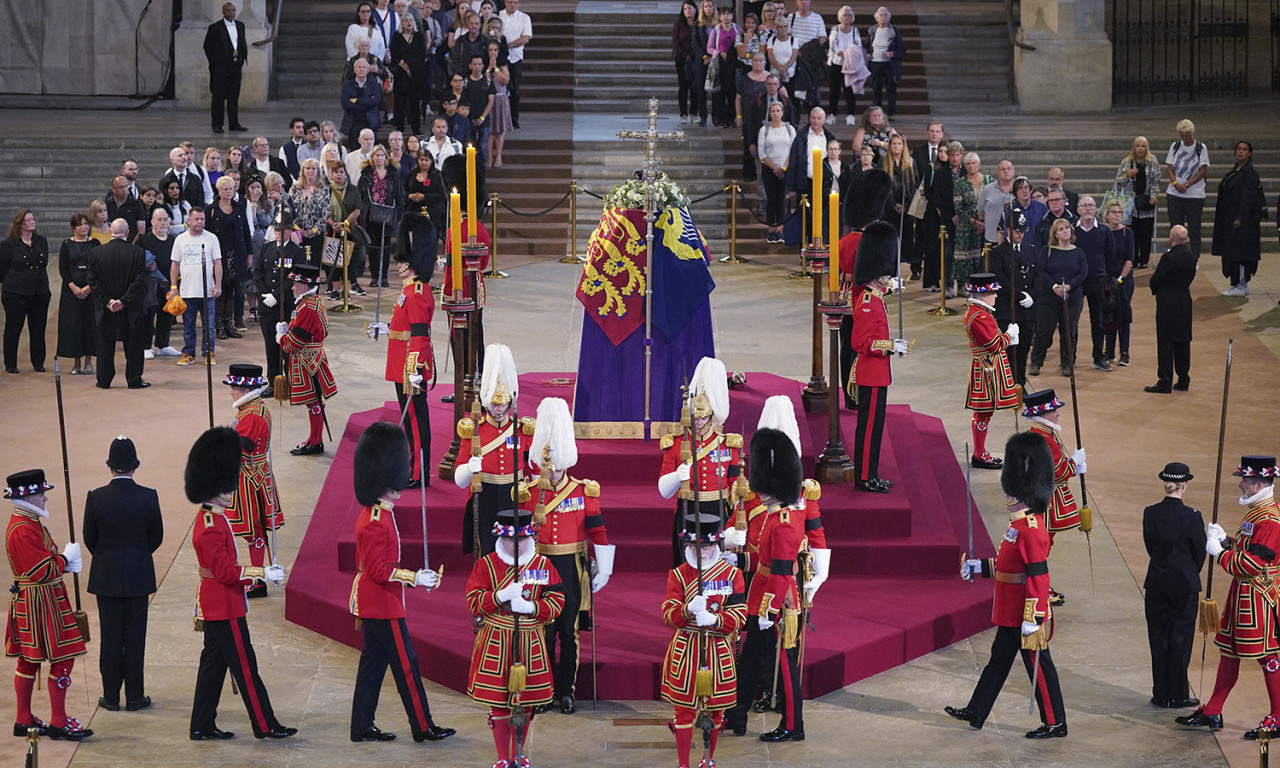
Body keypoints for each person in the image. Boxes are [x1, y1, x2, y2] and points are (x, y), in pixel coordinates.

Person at [948, 432, 1067, 739]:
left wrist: (1035, 616)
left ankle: (1056, 722)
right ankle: (976, 711)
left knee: (1039, 668)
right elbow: (1009, 566)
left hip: (1025, 612)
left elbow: (1039, 577)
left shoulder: (1030, 528)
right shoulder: (1018, 525)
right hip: (1012, 608)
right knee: (998, 661)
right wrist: (980, 568)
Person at [724, 398, 830, 741]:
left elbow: (783, 573)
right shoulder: (775, 515)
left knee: (786, 668)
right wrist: (739, 561)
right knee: (751, 661)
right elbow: (765, 562)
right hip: (764, 599)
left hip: (777, 605)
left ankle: (792, 725)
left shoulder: (783, 522)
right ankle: (737, 714)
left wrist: (770, 610)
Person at [346, 422, 455, 743]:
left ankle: (361, 726)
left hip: (376, 600)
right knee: (407, 665)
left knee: (373, 667)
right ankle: (423, 726)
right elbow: (379, 571)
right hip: (381, 603)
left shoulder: (377, 513)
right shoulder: (376, 521)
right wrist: (414, 578)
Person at [185, 427, 293, 741]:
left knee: (213, 669)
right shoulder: (211, 526)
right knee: (246, 668)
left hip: (220, 603)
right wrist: (262, 573)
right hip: (223, 605)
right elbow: (227, 573)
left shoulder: (214, 517)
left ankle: (201, 724)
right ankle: (265, 725)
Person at [514, 398, 614, 716]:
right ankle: (542, 691)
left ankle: (565, 691)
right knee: (543, 630)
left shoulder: (584, 491)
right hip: (540, 567)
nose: (554, 471)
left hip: (571, 567)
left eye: (558, 465)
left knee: (568, 632)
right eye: (549, 465)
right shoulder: (529, 494)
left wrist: (605, 570)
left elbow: (598, 531)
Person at [1180, 456, 1280, 740]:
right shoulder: (1257, 512)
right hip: (1243, 598)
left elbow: (1250, 564)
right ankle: (1213, 709)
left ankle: (1279, 716)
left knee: (1267, 657)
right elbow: (1247, 549)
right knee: (1229, 652)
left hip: (1259, 600)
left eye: (1245, 480)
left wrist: (1220, 553)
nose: (1240, 485)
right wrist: (1226, 542)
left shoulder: (1270, 520)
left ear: (1258, 483)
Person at [464, 506, 565, 767]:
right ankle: (502, 756)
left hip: (530, 642)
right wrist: (499, 596)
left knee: (527, 702)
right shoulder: (486, 564)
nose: (517, 545)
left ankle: (519, 754)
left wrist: (532, 608)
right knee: (499, 704)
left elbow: (557, 600)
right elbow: (473, 601)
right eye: (511, 540)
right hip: (497, 643)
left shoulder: (543, 564)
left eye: (521, 540)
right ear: (501, 538)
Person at [4, 468, 92, 741]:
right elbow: (42, 569)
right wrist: (65, 560)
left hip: (37, 601)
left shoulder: (28, 521)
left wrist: (62, 563)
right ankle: (58, 721)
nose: (45, 499)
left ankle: (24, 719)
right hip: (41, 603)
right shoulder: (23, 529)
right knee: (63, 655)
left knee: (28, 660)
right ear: (28, 497)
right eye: (41, 493)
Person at [82, 436, 162, 713]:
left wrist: (108, 558)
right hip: (139, 575)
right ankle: (136, 696)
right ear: (134, 467)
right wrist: (137, 555)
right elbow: (156, 537)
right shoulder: (148, 495)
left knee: (111, 637)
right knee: (135, 638)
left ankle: (111, 696)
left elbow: (90, 538)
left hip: (107, 577)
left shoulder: (96, 497)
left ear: (110, 467)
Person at [663, 510, 745, 766]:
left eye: (708, 546)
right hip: (686, 651)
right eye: (696, 546)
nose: (702, 552)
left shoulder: (732, 575)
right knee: (684, 711)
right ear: (688, 545)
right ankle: (683, 763)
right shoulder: (678, 574)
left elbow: (741, 613)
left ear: (716, 544)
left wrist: (717, 620)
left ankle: (708, 760)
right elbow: (668, 613)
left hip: (717, 650)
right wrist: (686, 609)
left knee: (717, 709)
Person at [657, 357, 743, 565]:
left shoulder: (727, 444)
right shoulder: (676, 444)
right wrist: (678, 476)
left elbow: (735, 486)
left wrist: (737, 517)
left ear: (711, 416)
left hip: (719, 507)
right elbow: (663, 490)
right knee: (686, 561)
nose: (699, 423)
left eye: (704, 418)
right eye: (696, 418)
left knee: (718, 562)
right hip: (689, 507)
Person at [370, 220, 436, 487]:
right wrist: (387, 329)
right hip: (404, 362)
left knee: (415, 421)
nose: (398, 265)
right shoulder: (410, 289)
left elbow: (419, 334)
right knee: (409, 421)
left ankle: (419, 473)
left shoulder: (418, 292)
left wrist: (415, 368)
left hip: (411, 366)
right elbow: (406, 327)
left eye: (403, 261)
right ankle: (413, 468)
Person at [454, 344, 534, 556]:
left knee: (515, 547)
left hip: (514, 494)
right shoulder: (473, 431)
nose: (498, 410)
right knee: (487, 546)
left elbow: (534, 469)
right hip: (485, 494)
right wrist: (469, 469)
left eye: (502, 405)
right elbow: (459, 480)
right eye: (493, 405)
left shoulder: (522, 430)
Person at [849, 221, 909, 492]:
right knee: (869, 428)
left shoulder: (875, 298)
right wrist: (889, 346)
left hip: (879, 374)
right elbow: (860, 342)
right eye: (886, 276)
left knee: (875, 429)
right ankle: (864, 477)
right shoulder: (867, 304)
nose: (889, 279)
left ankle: (870, 473)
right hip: (870, 374)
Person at [1143, 461, 1205, 710]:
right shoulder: (1192, 516)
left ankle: (1160, 692)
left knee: (1158, 639)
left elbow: (1150, 546)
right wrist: (1188, 571)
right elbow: (1199, 552)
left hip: (1156, 582)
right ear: (1185, 485)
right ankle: (1178, 694)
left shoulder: (1150, 512)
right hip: (1184, 584)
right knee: (1180, 639)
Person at [222, 363, 282, 597]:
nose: (231, 392)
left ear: (245, 390)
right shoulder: (253, 408)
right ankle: (258, 577)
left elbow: (241, 450)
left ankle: (257, 580)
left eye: (234, 387)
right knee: (256, 530)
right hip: (255, 473)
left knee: (253, 530)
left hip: (249, 476)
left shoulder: (251, 415)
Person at [276, 263, 337, 456]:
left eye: (295, 284)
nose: (292, 287)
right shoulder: (311, 302)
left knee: (314, 402)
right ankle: (314, 438)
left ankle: (316, 442)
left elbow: (295, 342)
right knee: (315, 402)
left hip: (307, 361)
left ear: (304, 285)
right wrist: (290, 327)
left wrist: (282, 338)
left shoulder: (307, 307)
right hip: (312, 358)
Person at [963, 273, 1020, 469]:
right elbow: (994, 345)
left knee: (984, 413)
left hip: (987, 367)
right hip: (987, 369)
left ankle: (980, 452)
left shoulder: (978, 311)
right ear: (984, 295)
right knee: (983, 412)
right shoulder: (979, 316)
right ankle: (979, 454)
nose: (995, 296)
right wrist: (1009, 336)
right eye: (993, 293)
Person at [87, 219, 149, 389]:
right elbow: (139, 281)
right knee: (134, 345)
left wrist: (108, 302)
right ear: (127, 233)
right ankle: (134, 379)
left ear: (110, 233)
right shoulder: (138, 252)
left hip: (105, 309)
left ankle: (104, 380)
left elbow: (92, 281)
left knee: (104, 345)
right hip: (131, 308)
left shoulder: (96, 253)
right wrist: (123, 301)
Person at [1027, 218, 1086, 379]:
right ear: (1055, 234)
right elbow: (1041, 272)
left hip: (1072, 298)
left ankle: (1067, 363)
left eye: (1067, 228)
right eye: (1060, 229)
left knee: (1068, 332)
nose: (1065, 231)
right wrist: (1055, 286)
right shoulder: (1047, 251)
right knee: (1043, 332)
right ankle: (1036, 362)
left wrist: (1069, 286)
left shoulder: (1078, 252)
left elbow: (1083, 273)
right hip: (1049, 298)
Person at [1020, 388, 1084, 537]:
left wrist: (1073, 467)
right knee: (1042, 544)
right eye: (1054, 410)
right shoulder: (1045, 439)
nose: (1058, 414)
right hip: (1044, 502)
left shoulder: (1037, 433)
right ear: (1043, 414)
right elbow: (1058, 473)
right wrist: (1074, 462)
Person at [1146, 224, 1196, 394]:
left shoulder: (1168, 258)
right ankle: (1183, 379)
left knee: (1166, 342)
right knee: (1183, 340)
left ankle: (1165, 381)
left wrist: (1155, 288)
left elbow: (1156, 279)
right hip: (1185, 301)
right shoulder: (1191, 256)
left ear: (1172, 238)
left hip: (1167, 303)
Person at [169, 208, 222, 366]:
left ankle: (208, 353)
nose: (200, 222)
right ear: (189, 220)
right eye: (197, 219)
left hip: (207, 292)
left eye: (202, 219)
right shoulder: (180, 239)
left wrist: (218, 285)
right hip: (187, 291)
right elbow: (175, 264)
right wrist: (173, 286)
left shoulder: (211, 238)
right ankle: (188, 353)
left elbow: (217, 263)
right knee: (188, 326)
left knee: (209, 326)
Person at [989, 211, 1037, 386]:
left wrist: (1032, 295)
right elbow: (999, 280)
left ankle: (1020, 384)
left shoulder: (1030, 251)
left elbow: (1037, 276)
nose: (1020, 235)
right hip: (1008, 311)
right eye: (1017, 231)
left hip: (1027, 313)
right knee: (1009, 351)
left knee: (1023, 350)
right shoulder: (998, 253)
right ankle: (1008, 385)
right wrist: (1020, 296)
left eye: (1023, 231)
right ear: (1008, 230)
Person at [0, 210, 51, 374]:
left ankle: (38, 362)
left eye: (33, 219)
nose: (32, 222)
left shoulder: (41, 241)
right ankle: (11, 363)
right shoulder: (9, 244)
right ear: (20, 224)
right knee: (14, 328)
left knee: (38, 328)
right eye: (28, 220)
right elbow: (1, 269)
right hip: (15, 293)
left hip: (39, 292)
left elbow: (43, 265)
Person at [253, 209, 301, 383]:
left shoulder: (297, 252)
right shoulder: (267, 248)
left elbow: (294, 278)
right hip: (267, 305)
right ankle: (273, 381)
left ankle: (290, 381)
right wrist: (265, 294)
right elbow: (257, 272)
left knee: (287, 346)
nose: (280, 233)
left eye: (284, 229)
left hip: (285, 305)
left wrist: (277, 295)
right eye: (277, 229)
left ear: (290, 230)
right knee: (270, 346)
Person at [1214, 140, 1264, 297]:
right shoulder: (1234, 171)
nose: (1241, 152)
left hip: (1243, 223)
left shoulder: (1250, 173)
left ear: (1250, 153)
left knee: (1241, 253)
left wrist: (1239, 218)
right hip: (1229, 220)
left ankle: (1242, 283)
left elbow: (1248, 197)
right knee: (1231, 252)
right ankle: (1235, 282)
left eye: (1244, 149)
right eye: (1239, 149)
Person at [206, 175, 252, 340]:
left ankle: (229, 323)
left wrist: (250, 254)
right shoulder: (211, 209)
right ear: (219, 190)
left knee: (233, 289)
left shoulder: (239, 207)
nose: (229, 192)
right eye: (225, 189)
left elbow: (246, 231)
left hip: (237, 253)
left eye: (231, 188)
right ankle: (218, 325)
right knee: (221, 290)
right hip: (219, 255)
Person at [1072, 196, 1114, 372]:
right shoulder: (1072, 231)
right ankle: (1068, 359)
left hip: (1097, 280)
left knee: (1098, 321)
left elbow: (1111, 257)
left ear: (1096, 209)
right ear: (1078, 210)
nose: (1087, 208)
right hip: (1076, 281)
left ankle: (1099, 357)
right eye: (1084, 205)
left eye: (1091, 205)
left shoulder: (1105, 231)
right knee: (1071, 321)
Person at [56, 213, 98, 375]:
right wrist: (73, 287)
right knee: (74, 325)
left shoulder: (95, 243)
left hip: (91, 290)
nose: (84, 227)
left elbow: (97, 267)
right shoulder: (67, 244)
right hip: (71, 292)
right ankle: (76, 362)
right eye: (80, 224)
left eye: (86, 224)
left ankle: (88, 362)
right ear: (74, 227)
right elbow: (63, 268)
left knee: (89, 324)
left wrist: (88, 287)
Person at [138, 208, 180, 359]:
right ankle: (145, 346)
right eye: (159, 220)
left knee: (166, 314)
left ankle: (163, 344)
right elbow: (137, 259)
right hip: (150, 285)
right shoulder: (145, 240)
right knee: (148, 316)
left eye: (165, 219)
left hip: (169, 284)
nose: (163, 223)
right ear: (152, 222)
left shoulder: (173, 240)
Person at [1165, 118, 1210, 258]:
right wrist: (1175, 183)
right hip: (1175, 193)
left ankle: (1194, 256)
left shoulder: (1201, 148)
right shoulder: (1175, 146)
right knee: (1175, 226)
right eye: (1182, 135)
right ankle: (1176, 253)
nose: (1184, 138)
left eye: (1187, 135)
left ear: (1192, 133)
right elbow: (1170, 167)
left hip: (1194, 195)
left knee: (1194, 227)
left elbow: (1202, 170)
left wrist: (1187, 184)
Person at [359, 144, 402, 287]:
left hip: (388, 214)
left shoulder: (393, 173)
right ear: (372, 158)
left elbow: (399, 194)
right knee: (373, 247)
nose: (380, 158)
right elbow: (361, 194)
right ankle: (374, 276)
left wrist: (399, 214)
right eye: (377, 155)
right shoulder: (366, 174)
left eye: (382, 155)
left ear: (386, 157)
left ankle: (384, 276)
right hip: (371, 215)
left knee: (385, 247)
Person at [1114, 136, 1161, 268]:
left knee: (1145, 233)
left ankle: (1144, 259)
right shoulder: (1126, 162)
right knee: (1131, 233)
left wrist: (1154, 196)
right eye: (1138, 146)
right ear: (1134, 148)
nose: (1140, 148)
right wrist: (1127, 175)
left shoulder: (1152, 161)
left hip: (1146, 202)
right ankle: (1132, 258)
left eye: (1143, 146)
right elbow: (1118, 181)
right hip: (1130, 204)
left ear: (1147, 148)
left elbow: (1156, 181)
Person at [204, 2, 249, 134]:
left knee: (233, 96)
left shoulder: (240, 25)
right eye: (228, 10)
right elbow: (207, 46)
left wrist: (242, 58)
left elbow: (241, 42)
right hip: (220, 68)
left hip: (235, 66)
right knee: (218, 97)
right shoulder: (215, 27)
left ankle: (234, 123)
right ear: (223, 12)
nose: (231, 13)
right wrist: (215, 62)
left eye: (233, 10)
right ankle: (217, 124)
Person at [1102, 200, 1135, 366]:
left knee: (1123, 315)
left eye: (1119, 213)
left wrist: (1120, 279)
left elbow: (1130, 259)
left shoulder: (1126, 232)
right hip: (1106, 280)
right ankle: (1108, 351)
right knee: (1109, 315)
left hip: (1124, 281)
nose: (1117, 215)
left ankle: (1124, 352)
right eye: (1113, 212)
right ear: (1107, 214)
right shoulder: (1102, 232)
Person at [757, 101, 795, 243]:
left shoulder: (790, 129)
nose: (776, 113)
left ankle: (780, 229)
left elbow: (793, 150)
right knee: (771, 199)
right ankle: (771, 230)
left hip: (785, 169)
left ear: (782, 112)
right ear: (770, 113)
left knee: (781, 199)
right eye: (773, 111)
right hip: (769, 169)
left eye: (778, 111)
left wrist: (783, 168)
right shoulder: (764, 130)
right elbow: (762, 153)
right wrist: (774, 168)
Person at [919, 143, 954, 294]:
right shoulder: (932, 168)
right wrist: (938, 206)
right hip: (933, 213)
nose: (942, 154)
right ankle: (932, 281)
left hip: (948, 214)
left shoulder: (953, 170)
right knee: (932, 248)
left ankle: (947, 282)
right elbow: (927, 191)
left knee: (947, 250)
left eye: (946, 152)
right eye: (940, 151)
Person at [953, 152, 989, 292]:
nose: (971, 166)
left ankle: (984, 288)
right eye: (968, 163)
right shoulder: (960, 183)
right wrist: (975, 222)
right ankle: (967, 289)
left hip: (986, 226)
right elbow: (958, 207)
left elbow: (992, 202)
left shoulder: (988, 180)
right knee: (967, 261)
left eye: (974, 163)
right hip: (966, 227)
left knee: (984, 258)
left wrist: (985, 222)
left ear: (979, 164)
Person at [391, 14, 429, 136]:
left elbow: (422, 54)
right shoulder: (397, 36)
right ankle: (400, 126)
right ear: (401, 23)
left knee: (415, 102)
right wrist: (404, 66)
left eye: (411, 20)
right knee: (400, 102)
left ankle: (416, 127)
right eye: (406, 20)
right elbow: (394, 53)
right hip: (401, 74)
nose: (409, 22)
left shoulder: (418, 36)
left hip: (416, 74)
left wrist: (410, 67)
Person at [866, 6, 905, 118]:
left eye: (886, 15)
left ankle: (891, 113)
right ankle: (876, 113)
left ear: (889, 18)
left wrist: (893, 54)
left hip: (889, 64)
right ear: (877, 18)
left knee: (891, 88)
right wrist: (868, 53)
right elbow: (867, 45)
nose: (883, 17)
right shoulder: (872, 31)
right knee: (876, 88)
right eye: (881, 15)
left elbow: (902, 49)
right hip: (876, 63)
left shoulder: (894, 31)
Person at [826, 6, 862, 123]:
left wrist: (851, 54)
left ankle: (850, 115)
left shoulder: (855, 30)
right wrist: (841, 53)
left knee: (849, 91)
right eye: (844, 15)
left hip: (850, 64)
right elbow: (833, 44)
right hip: (836, 63)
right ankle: (832, 114)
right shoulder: (835, 29)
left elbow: (858, 45)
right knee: (834, 90)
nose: (847, 17)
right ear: (840, 17)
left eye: (849, 15)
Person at [342, 59, 384, 152]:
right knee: (354, 151)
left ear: (368, 69)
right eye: (359, 67)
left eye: (364, 67)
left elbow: (376, 101)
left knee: (372, 152)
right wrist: (367, 103)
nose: (361, 69)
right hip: (353, 123)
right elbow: (346, 104)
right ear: (354, 69)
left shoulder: (375, 85)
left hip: (370, 123)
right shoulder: (348, 85)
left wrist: (356, 100)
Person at [672, 1, 700, 123]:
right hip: (682, 60)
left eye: (690, 8)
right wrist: (685, 55)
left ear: (695, 9)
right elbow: (676, 42)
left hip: (696, 59)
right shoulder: (679, 24)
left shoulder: (699, 24)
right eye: (685, 9)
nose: (688, 10)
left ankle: (694, 113)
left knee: (695, 87)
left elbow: (702, 40)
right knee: (683, 86)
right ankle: (683, 113)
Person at [979, 160, 1015, 247]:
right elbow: (981, 212)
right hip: (991, 238)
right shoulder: (987, 189)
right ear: (997, 173)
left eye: (1009, 168)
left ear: (1014, 171)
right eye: (1002, 169)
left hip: (1015, 238)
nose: (1006, 171)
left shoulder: (1021, 189)